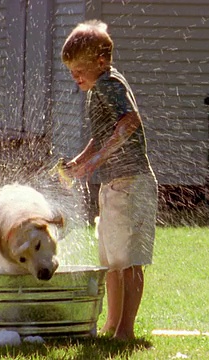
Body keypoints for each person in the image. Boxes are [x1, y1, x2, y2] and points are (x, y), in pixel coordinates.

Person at [61, 20, 158, 341]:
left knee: (128, 262)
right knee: (112, 263)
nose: (75, 77)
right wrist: (81, 161)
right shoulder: (98, 87)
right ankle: (112, 325)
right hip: (116, 184)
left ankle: (125, 330)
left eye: (79, 70)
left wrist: (98, 161)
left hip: (130, 183)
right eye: (71, 71)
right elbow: (104, 134)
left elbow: (129, 122)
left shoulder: (107, 84)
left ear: (101, 62)